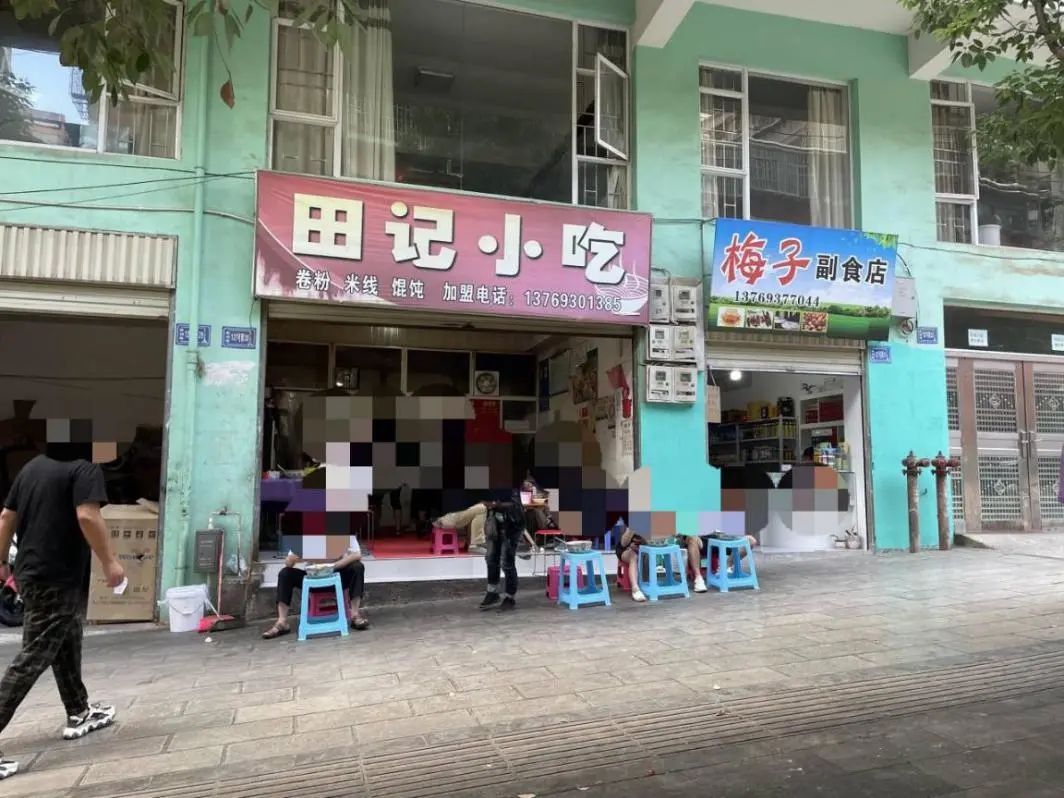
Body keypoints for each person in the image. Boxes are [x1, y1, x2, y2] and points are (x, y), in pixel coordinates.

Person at [0, 454, 126, 781]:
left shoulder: (33, 465)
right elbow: (87, 515)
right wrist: (110, 561)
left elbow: (6, 516)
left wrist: (1, 561)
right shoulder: (85, 467)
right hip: (56, 576)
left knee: (67, 636)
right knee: (34, 656)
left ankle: (78, 710)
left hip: (31, 572)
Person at [262, 540, 369, 639]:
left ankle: (355, 615)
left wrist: (334, 565)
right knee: (285, 573)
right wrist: (298, 557)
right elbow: (288, 563)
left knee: (357, 567)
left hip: (337, 576)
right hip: (312, 578)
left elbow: (357, 554)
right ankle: (282, 622)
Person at [478, 492, 526, 612]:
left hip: (512, 524)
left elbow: (514, 504)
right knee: (491, 558)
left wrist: (495, 503)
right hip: (495, 523)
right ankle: (492, 593)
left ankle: (510, 597)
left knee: (506, 562)